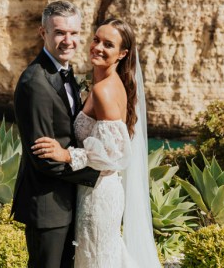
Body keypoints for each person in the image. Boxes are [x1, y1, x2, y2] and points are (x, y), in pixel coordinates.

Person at [32, 18, 161, 267]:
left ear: (122, 54)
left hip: (98, 195)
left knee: (96, 259)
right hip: (94, 189)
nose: (98, 47)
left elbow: (116, 154)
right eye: (96, 39)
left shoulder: (104, 91)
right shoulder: (105, 85)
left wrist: (68, 155)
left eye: (108, 44)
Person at [11, 0, 100, 268]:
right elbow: (45, 159)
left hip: (68, 203)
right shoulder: (34, 83)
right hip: (47, 208)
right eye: (60, 32)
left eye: (73, 33)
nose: (68, 41)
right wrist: (97, 174)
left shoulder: (65, 72)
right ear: (43, 33)